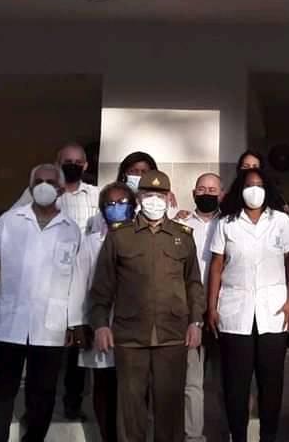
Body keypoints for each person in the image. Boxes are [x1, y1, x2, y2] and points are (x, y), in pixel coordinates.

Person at [88, 170, 206, 442]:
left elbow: (193, 283)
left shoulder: (183, 235)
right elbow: (102, 286)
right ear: (139, 197)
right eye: (149, 194)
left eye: (160, 195)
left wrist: (195, 321)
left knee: (170, 408)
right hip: (130, 336)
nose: (154, 200)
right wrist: (100, 324)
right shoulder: (120, 236)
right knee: (130, 410)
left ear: (169, 197)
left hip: (172, 334)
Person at [0, 163, 87, 442]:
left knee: (43, 394)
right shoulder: (10, 220)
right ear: (29, 187)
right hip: (10, 323)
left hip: (51, 327)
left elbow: (76, 280)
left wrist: (74, 323)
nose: (44, 186)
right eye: (38, 181)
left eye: (50, 182)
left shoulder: (71, 230)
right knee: (3, 391)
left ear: (61, 190)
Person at [206, 168, 289, 442]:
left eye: (259, 185)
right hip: (235, 310)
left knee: (272, 383)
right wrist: (211, 306)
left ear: (267, 189)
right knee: (236, 384)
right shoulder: (226, 222)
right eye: (249, 185)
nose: (254, 190)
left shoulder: (280, 221)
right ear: (239, 189)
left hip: (274, 310)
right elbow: (216, 267)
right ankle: (239, 436)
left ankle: (269, 436)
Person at [14, 143, 101, 420]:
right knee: (42, 352)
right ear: (57, 162)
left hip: (83, 286)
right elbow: (16, 225)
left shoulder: (98, 196)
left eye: (78, 161)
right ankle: (35, 410)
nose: (73, 165)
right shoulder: (39, 193)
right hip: (46, 285)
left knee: (77, 350)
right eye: (67, 160)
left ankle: (72, 407)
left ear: (86, 166)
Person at [75, 182, 137, 442]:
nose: (116, 208)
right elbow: (79, 285)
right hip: (100, 325)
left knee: (134, 390)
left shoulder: (144, 239)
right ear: (102, 210)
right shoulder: (91, 243)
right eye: (110, 205)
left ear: (134, 208)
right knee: (104, 386)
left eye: (122, 203)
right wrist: (80, 324)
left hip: (135, 327)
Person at [183, 173, 224, 442]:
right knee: (192, 381)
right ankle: (193, 436)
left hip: (224, 310)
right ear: (194, 192)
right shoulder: (181, 224)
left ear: (221, 194)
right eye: (202, 188)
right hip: (190, 312)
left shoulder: (230, 223)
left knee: (226, 380)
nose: (207, 193)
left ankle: (227, 432)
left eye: (212, 189)